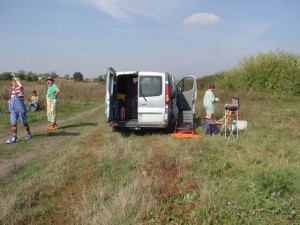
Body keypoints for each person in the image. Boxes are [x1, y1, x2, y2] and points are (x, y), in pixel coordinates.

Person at [6, 74, 32, 143]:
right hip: (13, 109)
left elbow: (20, 85)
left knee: (24, 122)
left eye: (14, 82)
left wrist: (16, 79)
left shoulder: (20, 89)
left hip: (20, 108)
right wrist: (10, 101)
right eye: (12, 83)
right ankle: (14, 137)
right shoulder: (12, 92)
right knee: (13, 122)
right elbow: (12, 99)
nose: (13, 84)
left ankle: (29, 133)